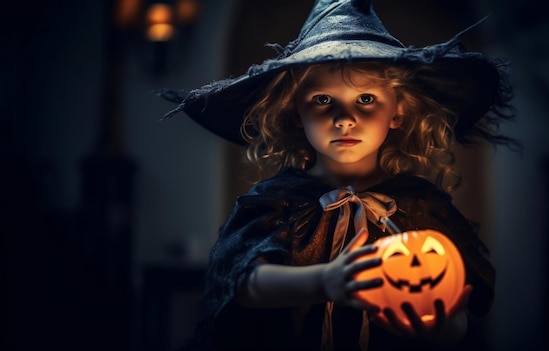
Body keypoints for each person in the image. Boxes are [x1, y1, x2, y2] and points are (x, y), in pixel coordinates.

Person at [160, 0, 520, 350]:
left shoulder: (423, 206)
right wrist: (324, 281)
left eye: (365, 99)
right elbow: (240, 281)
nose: (344, 118)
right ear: (296, 113)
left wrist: (440, 330)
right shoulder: (274, 201)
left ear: (396, 112)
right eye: (322, 100)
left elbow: (455, 313)